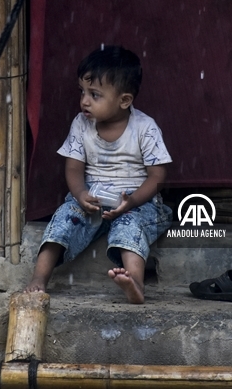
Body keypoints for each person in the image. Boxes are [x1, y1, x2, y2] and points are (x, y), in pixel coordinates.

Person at [25, 45, 172, 303]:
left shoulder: (144, 128)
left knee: (130, 226)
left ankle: (134, 282)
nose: (84, 100)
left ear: (124, 100)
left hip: (137, 201)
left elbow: (157, 176)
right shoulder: (81, 124)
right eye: (82, 91)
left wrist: (133, 201)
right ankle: (39, 278)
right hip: (92, 198)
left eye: (95, 94)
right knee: (65, 217)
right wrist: (81, 194)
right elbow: (73, 167)